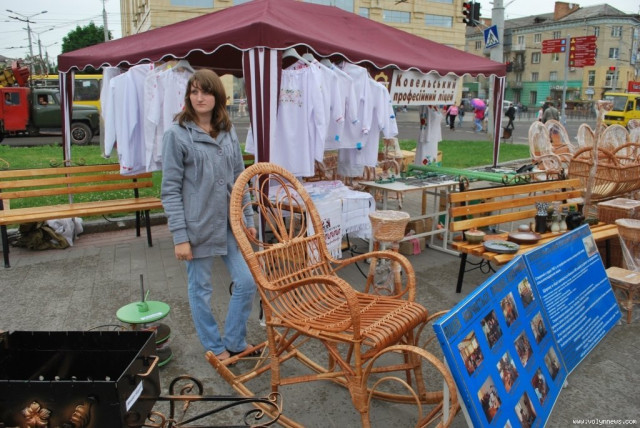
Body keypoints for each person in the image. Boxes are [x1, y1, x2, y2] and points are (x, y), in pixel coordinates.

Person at [161, 69, 258, 362]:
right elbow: (170, 190)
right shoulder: (176, 135)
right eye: (194, 91)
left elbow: (240, 178)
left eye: (205, 91)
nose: (199, 97)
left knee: (247, 282)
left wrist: (248, 220)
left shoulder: (227, 130)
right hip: (197, 227)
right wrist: (180, 237)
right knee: (200, 289)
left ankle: (235, 340)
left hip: (228, 224)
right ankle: (215, 347)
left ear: (218, 96)